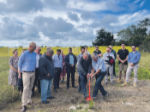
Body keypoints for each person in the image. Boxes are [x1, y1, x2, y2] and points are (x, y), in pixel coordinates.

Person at [18, 42, 36, 112]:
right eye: (34, 48)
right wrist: (20, 71)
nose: (35, 49)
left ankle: (29, 101)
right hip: (26, 73)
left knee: (30, 87)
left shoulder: (34, 54)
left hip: (33, 73)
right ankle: (24, 105)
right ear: (30, 46)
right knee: (25, 88)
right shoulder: (24, 54)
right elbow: (19, 62)